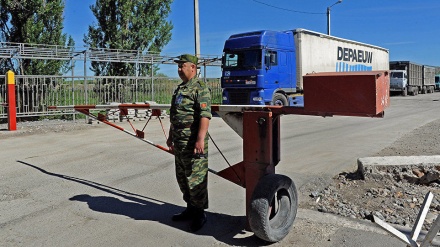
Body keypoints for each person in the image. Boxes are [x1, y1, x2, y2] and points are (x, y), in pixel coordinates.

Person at [166, 54, 211, 232]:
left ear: (192, 67)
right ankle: (190, 208)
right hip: (180, 140)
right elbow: (175, 115)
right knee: (183, 177)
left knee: (195, 178)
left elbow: (205, 116)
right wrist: (171, 136)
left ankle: (200, 214)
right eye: (178, 67)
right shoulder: (180, 89)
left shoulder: (200, 88)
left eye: (182, 66)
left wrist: (200, 139)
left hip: (193, 142)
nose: (179, 69)